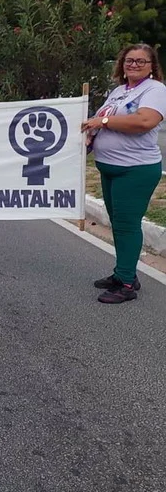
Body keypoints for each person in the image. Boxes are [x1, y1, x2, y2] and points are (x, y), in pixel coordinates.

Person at [81, 43, 166, 303]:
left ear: (152, 66)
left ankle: (126, 285)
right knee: (118, 224)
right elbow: (98, 122)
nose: (134, 65)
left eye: (141, 61)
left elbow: (144, 121)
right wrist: (90, 135)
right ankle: (123, 273)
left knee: (127, 226)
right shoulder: (119, 91)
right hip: (109, 168)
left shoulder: (155, 90)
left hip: (135, 170)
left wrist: (103, 122)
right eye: (129, 60)